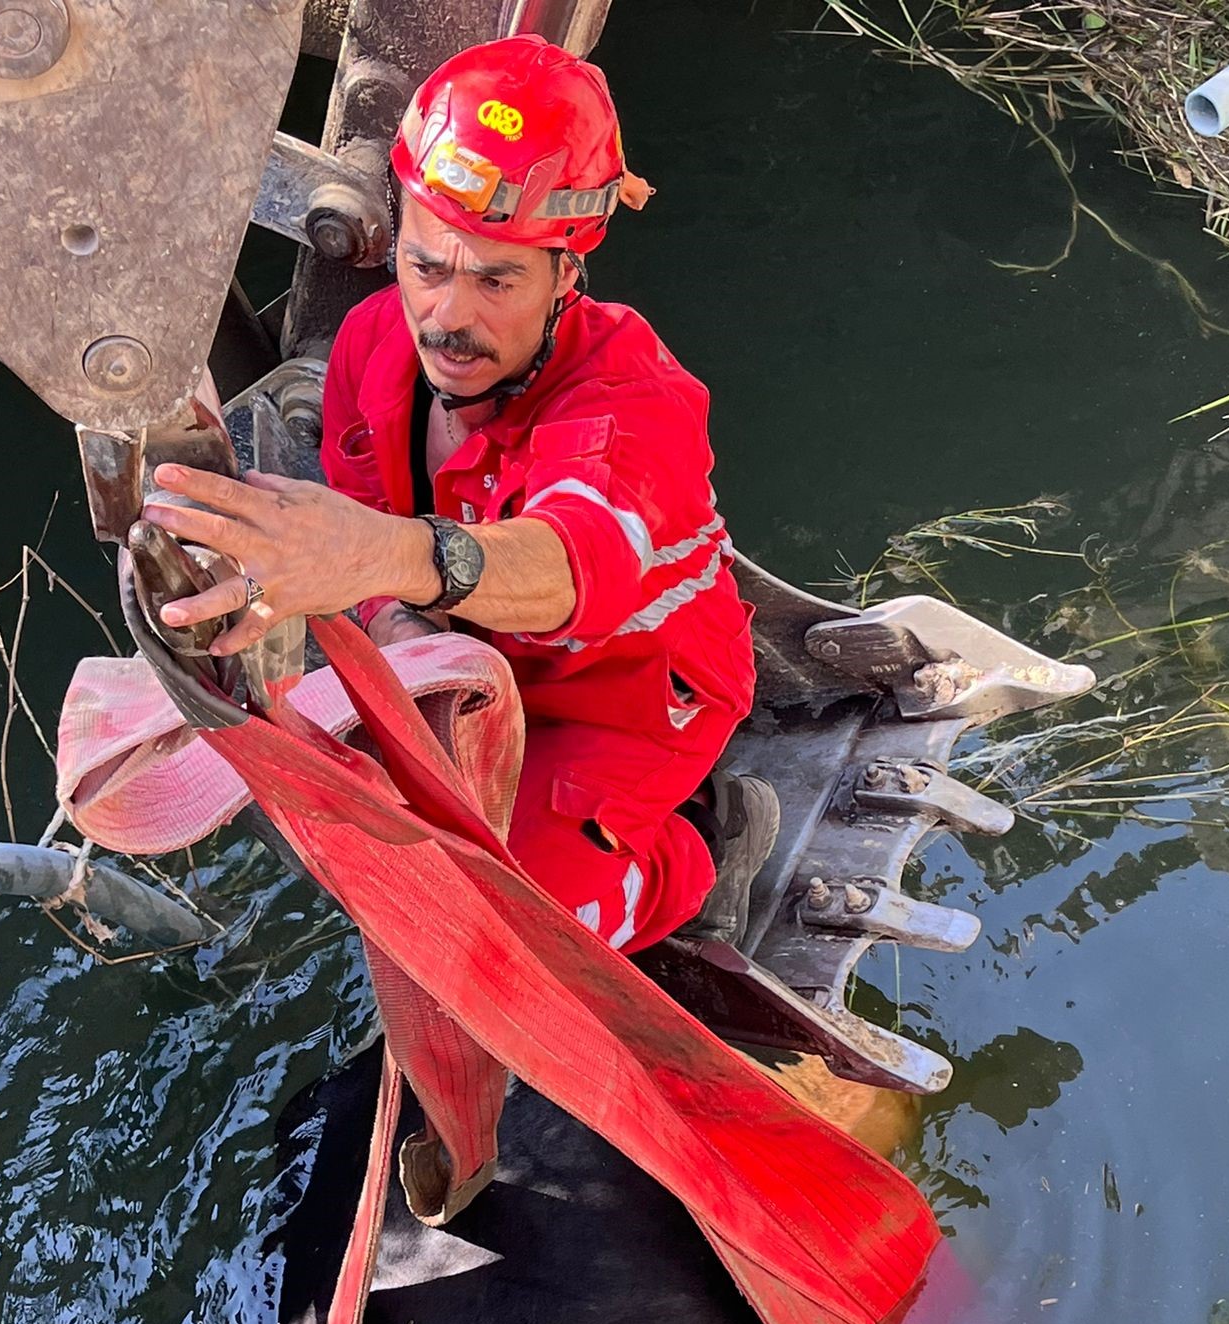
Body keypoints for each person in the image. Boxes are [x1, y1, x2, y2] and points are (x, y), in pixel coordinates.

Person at [145, 33, 775, 952]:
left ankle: (703, 849)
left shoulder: (633, 403)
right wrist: (397, 627)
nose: (449, 318)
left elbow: (571, 563)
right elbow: (378, 541)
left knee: (531, 931)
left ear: (569, 273)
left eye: (497, 278)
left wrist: (381, 557)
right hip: (481, 661)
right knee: (382, 848)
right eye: (428, 265)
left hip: (626, 700)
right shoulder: (373, 346)